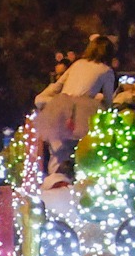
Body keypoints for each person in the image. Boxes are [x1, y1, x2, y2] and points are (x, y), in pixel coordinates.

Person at [34, 36, 119, 174]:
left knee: (58, 150)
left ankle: (55, 179)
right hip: (84, 110)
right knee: (80, 150)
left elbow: (58, 85)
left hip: (61, 105)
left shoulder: (78, 64)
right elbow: (108, 100)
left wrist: (45, 98)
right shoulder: (106, 71)